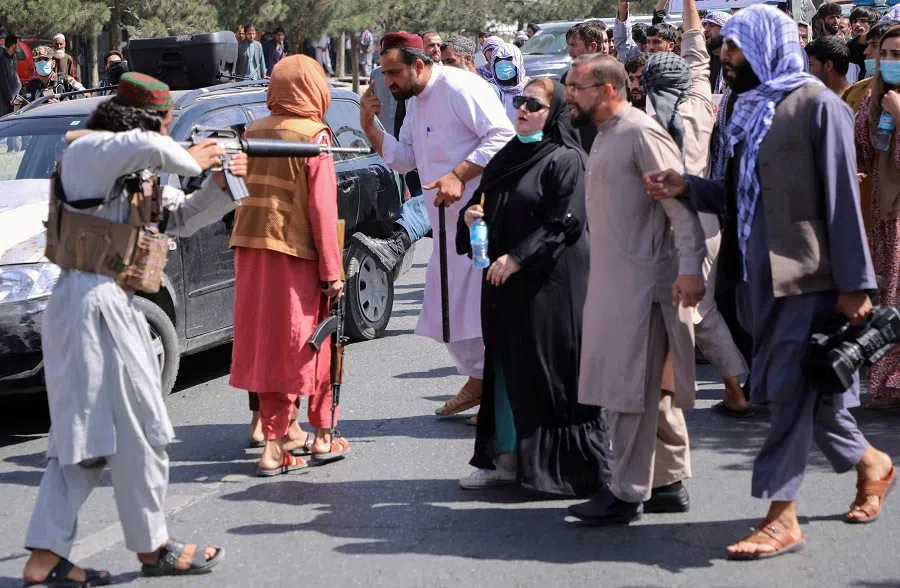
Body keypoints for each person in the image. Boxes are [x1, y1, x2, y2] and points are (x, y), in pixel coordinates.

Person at [644, 5, 895, 559]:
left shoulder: (818, 105)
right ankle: (872, 463)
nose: (724, 56)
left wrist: (856, 283)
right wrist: (683, 186)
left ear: (763, 45)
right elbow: (731, 196)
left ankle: (781, 516)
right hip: (754, 279)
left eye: (733, 46)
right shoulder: (742, 109)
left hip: (810, 277)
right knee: (811, 388)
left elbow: (841, 199)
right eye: (724, 46)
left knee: (784, 391)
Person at [21, 72, 240, 586]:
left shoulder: (132, 168)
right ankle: (149, 548)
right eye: (166, 123)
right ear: (147, 120)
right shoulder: (90, 152)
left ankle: (52, 555)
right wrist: (193, 153)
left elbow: (179, 220)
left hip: (107, 306)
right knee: (132, 429)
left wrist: (221, 185)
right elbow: (144, 145)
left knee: (95, 438)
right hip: (89, 303)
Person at [564, 54, 706, 526]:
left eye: (576, 87)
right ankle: (668, 483)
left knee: (627, 391)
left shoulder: (641, 133)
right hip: (615, 283)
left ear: (607, 90)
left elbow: (679, 209)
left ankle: (625, 492)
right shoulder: (606, 135)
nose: (568, 96)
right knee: (651, 389)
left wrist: (690, 268)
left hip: (645, 286)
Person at [456, 77, 611, 495]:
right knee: (506, 369)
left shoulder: (567, 159)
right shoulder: (506, 156)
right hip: (504, 285)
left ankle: (563, 467)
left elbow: (564, 223)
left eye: (533, 105)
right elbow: (486, 205)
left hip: (551, 287)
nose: (522, 109)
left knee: (550, 374)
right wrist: (471, 219)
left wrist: (519, 257)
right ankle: (506, 459)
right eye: (519, 102)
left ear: (555, 112)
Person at [359, 32, 514, 420]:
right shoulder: (415, 102)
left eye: (395, 72)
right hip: (443, 226)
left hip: (481, 219)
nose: (390, 81)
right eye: (385, 73)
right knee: (446, 310)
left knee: (478, 308)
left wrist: (459, 174)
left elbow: (503, 137)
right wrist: (370, 125)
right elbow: (405, 158)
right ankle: (481, 383)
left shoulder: (461, 87)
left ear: (419, 65)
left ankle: (494, 391)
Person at [230, 55, 351, 475]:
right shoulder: (314, 135)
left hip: (249, 249)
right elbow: (322, 210)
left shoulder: (253, 130)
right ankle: (289, 444)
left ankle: (280, 434)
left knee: (268, 343)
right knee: (307, 344)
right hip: (294, 252)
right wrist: (332, 271)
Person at [855, 24, 900, 410]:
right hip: (885, 215)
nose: (887, 62)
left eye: (896, 56)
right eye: (884, 55)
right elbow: (864, 152)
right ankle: (888, 380)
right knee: (890, 297)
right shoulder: (873, 98)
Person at [19, 46, 84, 106]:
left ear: (53, 64)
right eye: (39, 60)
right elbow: (17, 110)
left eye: (45, 59)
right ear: (34, 64)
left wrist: (62, 105)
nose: (42, 63)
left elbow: (83, 101)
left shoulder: (67, 81)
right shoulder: (28, 87)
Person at [490, 43, 529, 123]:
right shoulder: (490, 91)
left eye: (508, 59)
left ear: (518, 61)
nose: (502, 63)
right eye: (498, 59)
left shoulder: (530, 89)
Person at [703, 11, 731, 93]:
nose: (706, 30)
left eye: (712, 25)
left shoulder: (739, 62)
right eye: (705, 25)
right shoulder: (703, 59)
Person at [1, 34, 21, 117]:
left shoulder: (13, 58)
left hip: (13, 98)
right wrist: (11, 97)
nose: (18, 46)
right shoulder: (2, 60)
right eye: (17, 44)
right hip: (5, 100)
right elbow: (3, 81)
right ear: (13, 46)